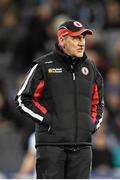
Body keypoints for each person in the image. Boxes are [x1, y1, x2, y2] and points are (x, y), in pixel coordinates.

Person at [15, 19, 104, 179]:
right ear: (62, 39)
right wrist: (49, 121)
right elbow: (22, 99)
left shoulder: (91, 69)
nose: (81, 43)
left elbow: (98, 104)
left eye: (83, 38)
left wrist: (89, 126)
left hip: (82, 148)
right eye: (76, 38)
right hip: (51, 147)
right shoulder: (43, 66)